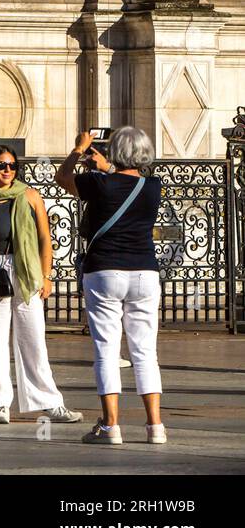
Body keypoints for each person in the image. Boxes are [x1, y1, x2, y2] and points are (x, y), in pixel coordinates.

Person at [55, 127, 165, 445]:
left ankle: (110, 426)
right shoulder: (152, 186)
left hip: (105, 270)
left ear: (115, 152)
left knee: (106, 349)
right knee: (145, 352)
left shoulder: (98, 183)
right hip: (145, 271)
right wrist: (108, 168)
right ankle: (155, 426)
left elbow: (62, 179)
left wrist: (79, 150)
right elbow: (126, 184)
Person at [0, 146, 82, 425]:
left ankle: (49, 401)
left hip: (27, 269)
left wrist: (46, 274)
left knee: (33, 339)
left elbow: (45, 237)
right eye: (1, 165)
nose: (7, 170)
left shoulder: (30, 196)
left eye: (11, 165)